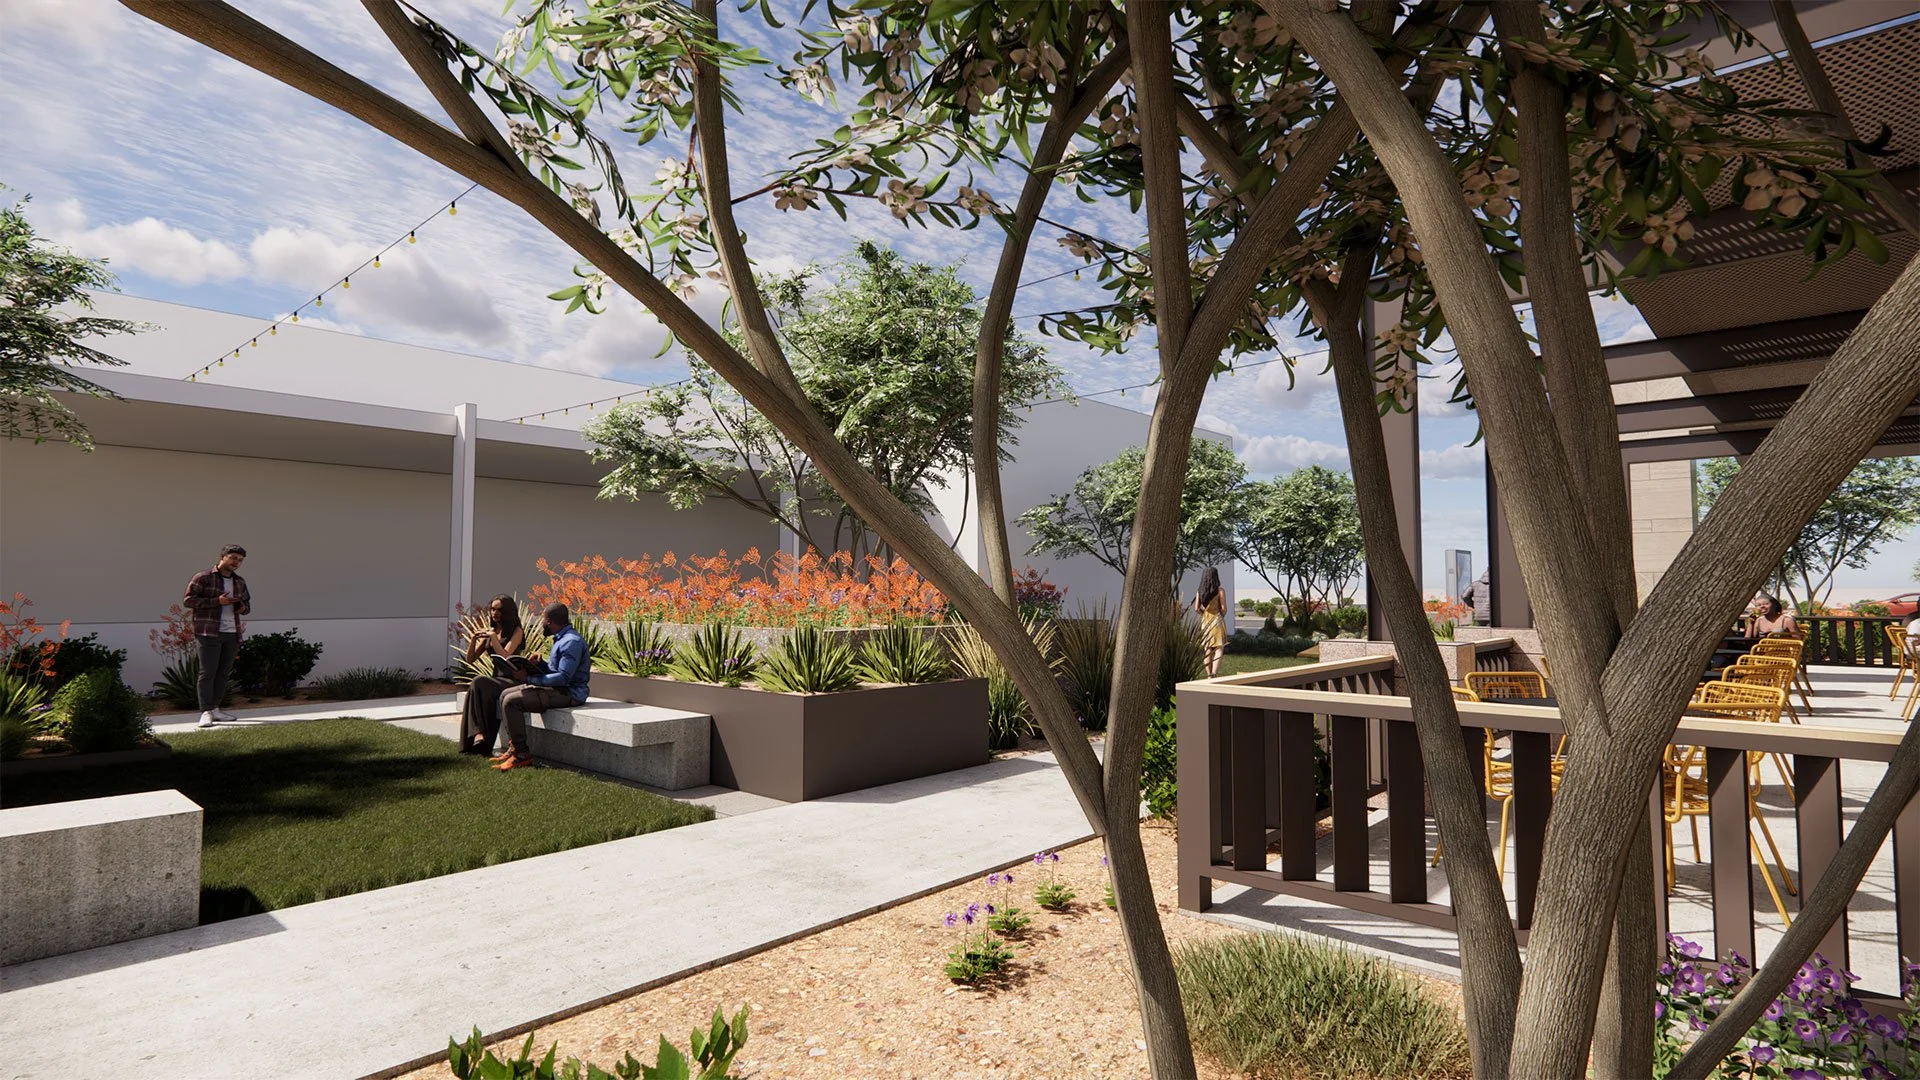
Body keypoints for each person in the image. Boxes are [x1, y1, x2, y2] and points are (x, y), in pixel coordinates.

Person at [491, 603, 592, 771]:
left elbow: (563, 678)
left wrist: (529, 678)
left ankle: (522, 755)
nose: (541, 624)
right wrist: (541, 665)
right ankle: (514, 747)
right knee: (505, 694)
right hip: (558, 689)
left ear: (549, 621)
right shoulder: (561, 638)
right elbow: (557, 670)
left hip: (570, 693)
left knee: (511, 701)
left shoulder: (571, 642)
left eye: (543, 620)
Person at [184, 544, 251, 729]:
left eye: (239, 560)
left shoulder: (240, 582)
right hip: (208, 632)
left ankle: (215, 709)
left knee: (223, 673)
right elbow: (188, 600)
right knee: (207, 672)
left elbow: (247, 607)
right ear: (223, 557)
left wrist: (240, 606)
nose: (236, 562)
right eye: (233, 558)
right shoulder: (203, 577)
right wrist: (217, 602)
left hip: (231, 633)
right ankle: (205, 712)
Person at [457, 595, 528, 755]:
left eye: (499, 610)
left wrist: (493, 638)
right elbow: (471, 659)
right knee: (476, 686)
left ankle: (478, 734)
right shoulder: (492, 631)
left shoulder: (517, 631)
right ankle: (479, 736)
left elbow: (505, 655)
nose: (494, 613)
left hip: (512, 680)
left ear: (508, 612)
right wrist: (474, 639)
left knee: (478, 682)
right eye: (492, 609)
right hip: (497, 679)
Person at [1194, 566, 1227, 678]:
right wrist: (1220, 615)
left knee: (1207, 648)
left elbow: (1196, 608)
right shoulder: (1220, 591)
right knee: (1218, 648)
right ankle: (1214, 673)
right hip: (1216, 620)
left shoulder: (1199, 591)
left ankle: (1208, 675)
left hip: (1205, 621)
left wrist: (1204, 613)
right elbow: (1223, 609)